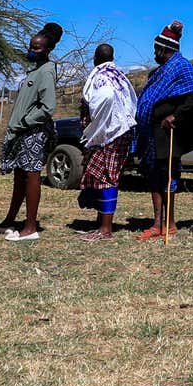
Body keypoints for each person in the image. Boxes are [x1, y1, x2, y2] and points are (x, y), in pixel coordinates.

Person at [0, 23, 62, 242]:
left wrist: (24, 121)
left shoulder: (46, 71)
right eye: (31, 47)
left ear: (47, 50)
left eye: (37, 48)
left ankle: (30, 227)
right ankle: (9, 221)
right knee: (20, 175)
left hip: (34, 132)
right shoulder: (35, 70)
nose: (32, 51)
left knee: (31, 176)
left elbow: (47, 107)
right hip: (23, 132)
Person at [132, 20, 193, 240]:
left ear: (166, 49)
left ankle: (169, 223)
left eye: (157, 48)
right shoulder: (160, 70)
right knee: (154, 176)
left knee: (167, 177)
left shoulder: (180, 65)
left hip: (167, 133)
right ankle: (157, 223)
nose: (154, 52)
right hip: (152, 132)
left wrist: (176, 115)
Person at [76, 43, 137, 241]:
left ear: (95, 58)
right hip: (121, 131)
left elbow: (106, 97)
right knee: (104, 175)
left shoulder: (102, 77)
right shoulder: (119, 75)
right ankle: (100, 222)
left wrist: (98, 124)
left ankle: (106, 229)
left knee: (106, 177)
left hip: (109, 133)